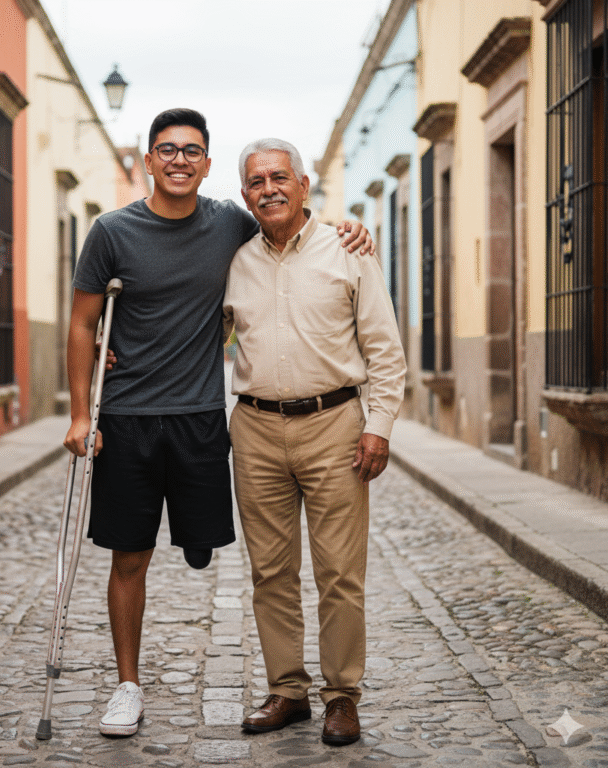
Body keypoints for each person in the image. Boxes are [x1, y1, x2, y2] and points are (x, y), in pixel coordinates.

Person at [64, 109, 374, 738]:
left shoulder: (231, 222)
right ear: (148, 160)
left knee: (207, 549)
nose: (179, 160)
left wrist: (352, 228)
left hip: (203, 421)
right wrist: (79, 412)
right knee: (131, 557)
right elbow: (80, 323)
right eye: (167, 149)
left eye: (193, 151)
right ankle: (128, 686)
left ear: (207, 165)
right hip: (127, 419)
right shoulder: (110, 232)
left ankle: (334, 689)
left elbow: (289, 223)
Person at [223, 138, 406, 746]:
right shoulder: (235, 260)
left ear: (304, 185)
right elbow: (193, 334)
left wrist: (377, 426)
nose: (269, 189)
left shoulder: (348, 250)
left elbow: (383, 348)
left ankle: (341, 696)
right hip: (255, 428)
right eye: (256, 181)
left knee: (339, 571)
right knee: (270, 570)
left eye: (280, 177)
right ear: (244, 194)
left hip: (336, 427)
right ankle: (286, 690)